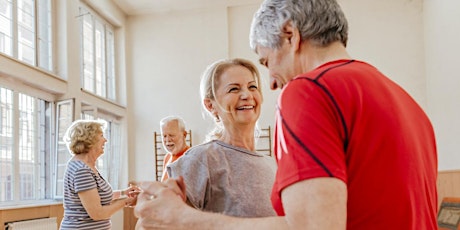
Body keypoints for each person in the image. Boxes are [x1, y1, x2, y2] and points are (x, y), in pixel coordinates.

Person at [134, 0, 438, 229]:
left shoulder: (310, 91)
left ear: (290, 36)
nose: (273, 83)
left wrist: (181, 218)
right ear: (210, 104)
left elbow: (311, 226)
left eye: (267, 62)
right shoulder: (407, 103)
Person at [165, 58, 277, 217]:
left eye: (252, 87)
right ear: (211, 105)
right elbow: (151, 224)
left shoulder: (273, 165)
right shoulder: (201, 160)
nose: (247, 95)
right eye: (234, 89)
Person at [60, 119, 140, 230]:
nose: (105, 140)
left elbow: (96, 197)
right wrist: (126, 201)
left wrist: (123, 193)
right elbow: (97, 213)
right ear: (90, 139)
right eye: (101, 135)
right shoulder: (81, 170)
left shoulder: (87, 166)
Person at [159, 115, 190, 181]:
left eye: (171, 135)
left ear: (184, 135)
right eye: (164, 136)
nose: (168, 140)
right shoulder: (167, 157)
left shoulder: (191, 158)